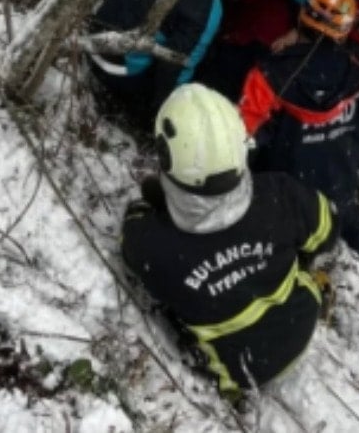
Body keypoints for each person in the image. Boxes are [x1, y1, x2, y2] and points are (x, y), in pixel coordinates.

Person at [121, 83, 339, 397]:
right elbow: (327, 230)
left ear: (167, 156)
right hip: (302, 322)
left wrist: (153, 203)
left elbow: (132, 232)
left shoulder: (152, 245)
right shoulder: (279, 195)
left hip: (237, 371)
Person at [239, 0, 359, 277]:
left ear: (302, 14)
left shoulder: (271, 73)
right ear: (346, 30)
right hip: (339, 180)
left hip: (287, 190)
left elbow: (245, 135)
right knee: (356, 227)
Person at [87, 0, 268, 130]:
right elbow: (176, 63)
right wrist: (166, 114)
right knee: (192, 70)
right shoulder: (207, 9)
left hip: (99, 29)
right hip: (114, 66)